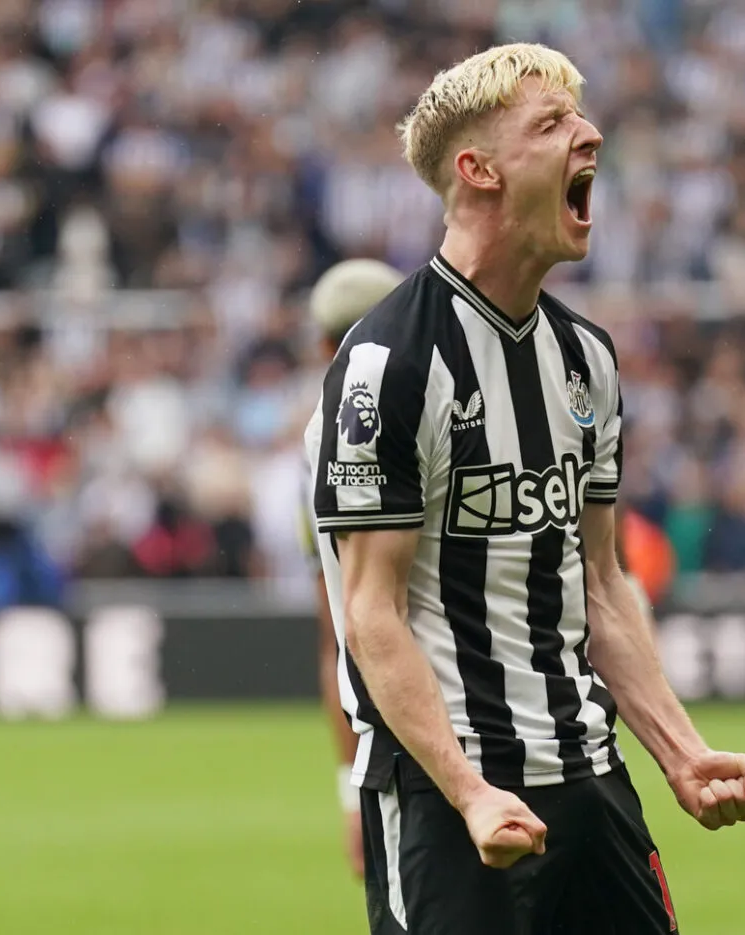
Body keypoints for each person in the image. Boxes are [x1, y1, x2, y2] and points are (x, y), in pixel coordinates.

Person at [304, 44, 745, 935]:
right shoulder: (386, 363)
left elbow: (601, 583)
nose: (589, 134)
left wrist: (679, 749)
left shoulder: (586, 358)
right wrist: (473, 791)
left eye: (579, 117)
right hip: (449, 800)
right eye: (552, 125)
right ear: (478, 171)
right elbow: (370, 616)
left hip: (589, 777)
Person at [300, 258, 407, 878]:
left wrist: (353, 791)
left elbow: (337, 641)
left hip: (406, 750)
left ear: (320, 344)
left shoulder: (316, 450)